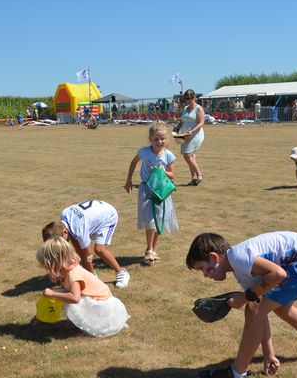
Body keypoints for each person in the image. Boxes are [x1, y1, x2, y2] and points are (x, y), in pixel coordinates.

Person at [186, 231, 297, 378]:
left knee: (253, 311)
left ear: (214, 257)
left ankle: (236, 377)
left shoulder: (238, 258)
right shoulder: (240, 266)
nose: (205, 275)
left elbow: (278, 274)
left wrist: (245, 297)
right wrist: (269, 354)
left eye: (202, 268)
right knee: (280, 309)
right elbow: (258, 302)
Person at [36, 237, 129, 338]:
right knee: (60, 293)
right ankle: (43, 318)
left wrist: (53, 294)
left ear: (57, 260)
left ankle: (89, 327)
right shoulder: (68, 272)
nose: (47, 268)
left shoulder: (73, 275)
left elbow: (75, 298)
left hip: (104, 311)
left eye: (47, 265)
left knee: (66, 298)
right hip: (100, 306)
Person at [124, 121, 179, 265]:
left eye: (162, 139)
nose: (159, 142)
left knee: (159, 221)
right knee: (150, 220)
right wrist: (128, 180)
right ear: (151, 139)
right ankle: (148, 249)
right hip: (147, 190)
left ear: (166, 139)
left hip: (161, 192)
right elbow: (133, 162)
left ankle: (153, 249)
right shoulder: (144, 152)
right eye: (156, 139)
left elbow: (172, 175)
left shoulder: (168, 155)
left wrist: (163, 171)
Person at [42, 200, 130, 288]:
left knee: (99, 249)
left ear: (65, 232)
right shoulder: (64, 218)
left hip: (108, 216)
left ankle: (121, 272)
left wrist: (91, 277)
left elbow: (88, 256)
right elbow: (77, 248)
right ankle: (85, 272)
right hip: (94, 212)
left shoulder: (79, 229)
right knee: (78, 248)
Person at [174, 89, 205, 185]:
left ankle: (199, 174)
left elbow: (201, 122)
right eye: (186, 99)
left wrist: (192, 131)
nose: (187, 100)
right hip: (185, 135)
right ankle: (194, 179)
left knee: (187, 155)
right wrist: (177, 128)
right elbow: (182, 121)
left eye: (189, 98)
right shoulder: (185, 108)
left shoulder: (198, 108)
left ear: (194, 98)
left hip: (196, 134)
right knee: (191, 156)